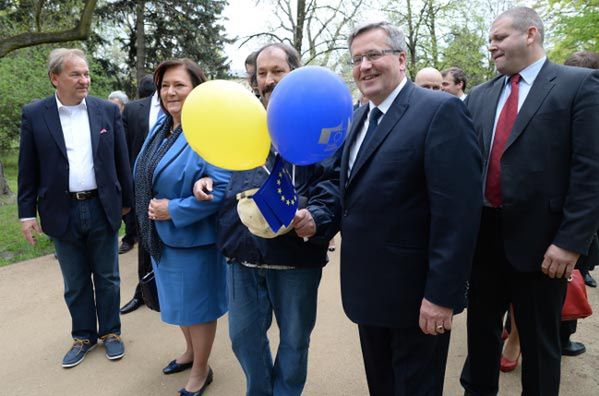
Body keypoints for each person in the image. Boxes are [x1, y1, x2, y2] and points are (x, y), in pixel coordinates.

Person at [459, 7, 599, 395]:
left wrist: (571, 241)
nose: (491, 47)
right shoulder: (481, 96)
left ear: (531, 34)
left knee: (539, 346)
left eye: (499, 38)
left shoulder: (579, 85)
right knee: (481, 339)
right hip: (483, 241)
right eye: (491, 40)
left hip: (543, 248)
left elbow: (590, 171)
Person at [339, 21, 482, 395]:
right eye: (357, 59)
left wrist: (441, 297)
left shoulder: (441, 111)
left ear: (401, 59)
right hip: (368, 294)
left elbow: (458, 216)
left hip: (417, 301)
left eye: (373, 55)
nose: (364, 66)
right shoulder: (358, 118)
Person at [193, 43, 340, 396]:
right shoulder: (239, 117)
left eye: (278, 71)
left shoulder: (317, 120)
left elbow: (333, 183)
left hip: (294, 257)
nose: (269, 80)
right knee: (242, 337)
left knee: (294, 339)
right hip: (242, 254)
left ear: (295, 73)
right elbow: (217, 160)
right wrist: (203, 179)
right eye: (262, 73)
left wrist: (314, 216)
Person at [18, 48, 133, 368]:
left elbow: (121, 160)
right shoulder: (35, 114)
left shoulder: (106, 111)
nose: (85, 80)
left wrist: (126, 202)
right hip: (60, 210)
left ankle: (111, 332)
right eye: (76, 74)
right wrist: (27, 214)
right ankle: (83, 336)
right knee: (76, 280)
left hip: (101, 206)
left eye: (86, 74)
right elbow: (27, 169)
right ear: (56, 78)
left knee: (108, 276)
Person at [134, 58, 230, 396]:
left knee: (198, 309)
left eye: (179, 85)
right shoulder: (162, 128)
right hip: (161, 239)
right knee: (180, 306)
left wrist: (173, 209)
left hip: (193, 241)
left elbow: (221, 189)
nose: (170, 92)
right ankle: (191, 353)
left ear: (197, 89)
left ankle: (202, 371)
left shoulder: (208, 130)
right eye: (165, 86)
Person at [120, 75, 164, 315]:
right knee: (144, 241)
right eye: (164, 82)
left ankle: (169, 292)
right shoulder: (133, 109)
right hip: (141, 188)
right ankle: (144, 292)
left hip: (177, 187)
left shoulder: (191, 106)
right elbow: (123, 151)